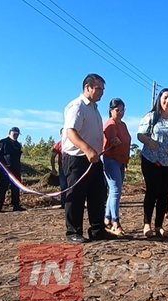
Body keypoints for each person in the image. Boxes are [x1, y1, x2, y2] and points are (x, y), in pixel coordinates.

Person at [62, 73, 111, 243]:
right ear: (87, 87)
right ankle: (73, 232)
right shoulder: (77, 106)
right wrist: (88, 150)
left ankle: (97, 230)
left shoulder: (95, 110)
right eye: (99, 88)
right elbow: (71, 132)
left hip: (94, 159)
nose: (102, 93)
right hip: (77, 158)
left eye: (103, 89)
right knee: (76, 196)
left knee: (97, 194)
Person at [137, 88, 168, 237]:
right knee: (152, 191)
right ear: (159, 99)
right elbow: (140, 135)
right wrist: (149, 141)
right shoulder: (152, 116)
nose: (167, 101)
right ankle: (147, 224)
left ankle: (159, 225)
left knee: (164, 194)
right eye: (165, 98)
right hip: (151, 160)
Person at [103, 98, 131, 237]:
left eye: (122, 110)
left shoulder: (124, 125)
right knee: (115, 190)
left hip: (121, 161)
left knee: (114, 191)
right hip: (111, 159)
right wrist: (115, 142)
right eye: (117, 110)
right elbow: (113, 140)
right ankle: (116, 223)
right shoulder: (110, 124)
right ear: (111, 110)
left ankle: (107, 218)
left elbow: (125, 142)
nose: (120, 112)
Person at [0, 127, 26, 213]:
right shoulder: (2, 142)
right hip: (5, 170)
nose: (16, 135)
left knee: (16, 187)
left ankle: (16, 205)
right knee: (2, 188)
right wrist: (1, 166)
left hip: (16, 169)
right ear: (10, 133)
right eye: (14, 133)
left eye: (17, 134)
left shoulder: (18, 145)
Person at [50, 128, 67, 208]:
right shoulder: (58, 144)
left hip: (73, 168)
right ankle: (64, 203)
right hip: (63, 168)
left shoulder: (74, 143)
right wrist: (53, 168)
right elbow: (53, 157)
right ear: (60, 134)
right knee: (63, 186)